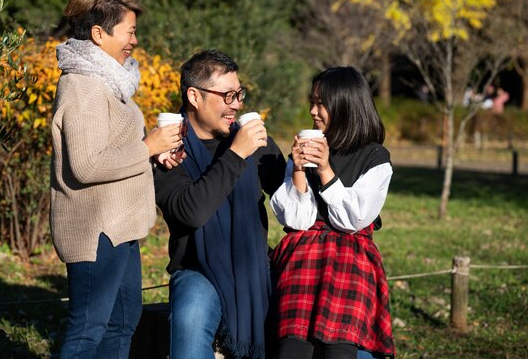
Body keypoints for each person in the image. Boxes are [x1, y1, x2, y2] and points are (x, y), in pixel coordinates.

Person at [50, 0, 184, 358]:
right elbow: (87, 164)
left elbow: (113, 149)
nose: (135, 40)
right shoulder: (83, 87)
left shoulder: (111, 82)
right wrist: (148, 146)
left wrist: (154, 155)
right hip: (96, 231)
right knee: (88, 331)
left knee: (123, 322)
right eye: (129, 31)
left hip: (120, 227)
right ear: (99, 33)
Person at [154, 49, 287, 359]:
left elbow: (293, 203)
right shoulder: (168, 147)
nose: (237, 104)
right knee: (190, 316)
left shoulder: (251, 141)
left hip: (253, 264)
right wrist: (236, 154)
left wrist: (308, 168)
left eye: (239, 94)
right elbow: (190, 212)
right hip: (197, 267)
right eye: (228, 95)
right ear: (194, 96)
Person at [269, 67, 395, 359]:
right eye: (312, 102)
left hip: (351, 259)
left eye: (321, 103)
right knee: (292, 348)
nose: (313, 110)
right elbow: (297, 220)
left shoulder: (375, 157)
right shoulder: (305, 149)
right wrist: (299, 169)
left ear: (345, 104)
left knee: (337, 350)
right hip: (303, 256)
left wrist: (325, 169)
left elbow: (353, 220)